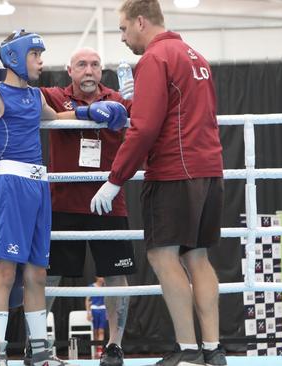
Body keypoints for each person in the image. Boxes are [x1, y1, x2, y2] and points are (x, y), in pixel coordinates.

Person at [0, 29, 128, 366]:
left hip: (40, 186)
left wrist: (90, 113)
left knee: (37, 273)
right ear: (15, 57)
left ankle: (39, 351)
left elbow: (55, 118)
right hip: (12, 184)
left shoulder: (35, 97)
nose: (41, 61)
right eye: (35, 55)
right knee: (6, 271)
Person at [89, 1, 228, 365]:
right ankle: (213, 349)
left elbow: (146, 128)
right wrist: (136, 100)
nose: (122, 37)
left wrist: (116, 179)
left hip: (174, 172)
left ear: (140, 21)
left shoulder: (155, 57)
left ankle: (186, 350)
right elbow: (177, 113)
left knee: (162, 256)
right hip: (209, 168)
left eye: (122, 29)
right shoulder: (195, 55)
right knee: (197, 256)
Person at [31, 47, 135, 366]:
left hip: (109, 202)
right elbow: (26, 104)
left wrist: (134, 100)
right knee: (49, 276)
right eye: (82, 65)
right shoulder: (53, 95)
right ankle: (37, 345)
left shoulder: (117, 99)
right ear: (69, 70)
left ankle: (114, 346)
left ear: (101, 70)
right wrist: (83, 114)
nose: (88, 70)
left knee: (116, 276)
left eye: (94, 65)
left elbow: (146, 123)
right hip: (63, 203)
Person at [86, 277, 108, 358]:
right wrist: (88, 313)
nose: (103, 278)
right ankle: (96, 349)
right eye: (101, 277)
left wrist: (108, 312)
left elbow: (108, 300)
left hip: (103, 309)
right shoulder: (91, 287)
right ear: (97, 277)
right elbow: (87, 300)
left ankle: (100, 350)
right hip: (94, 309)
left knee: (101, 331)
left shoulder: (105, 287)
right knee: (95, 331)